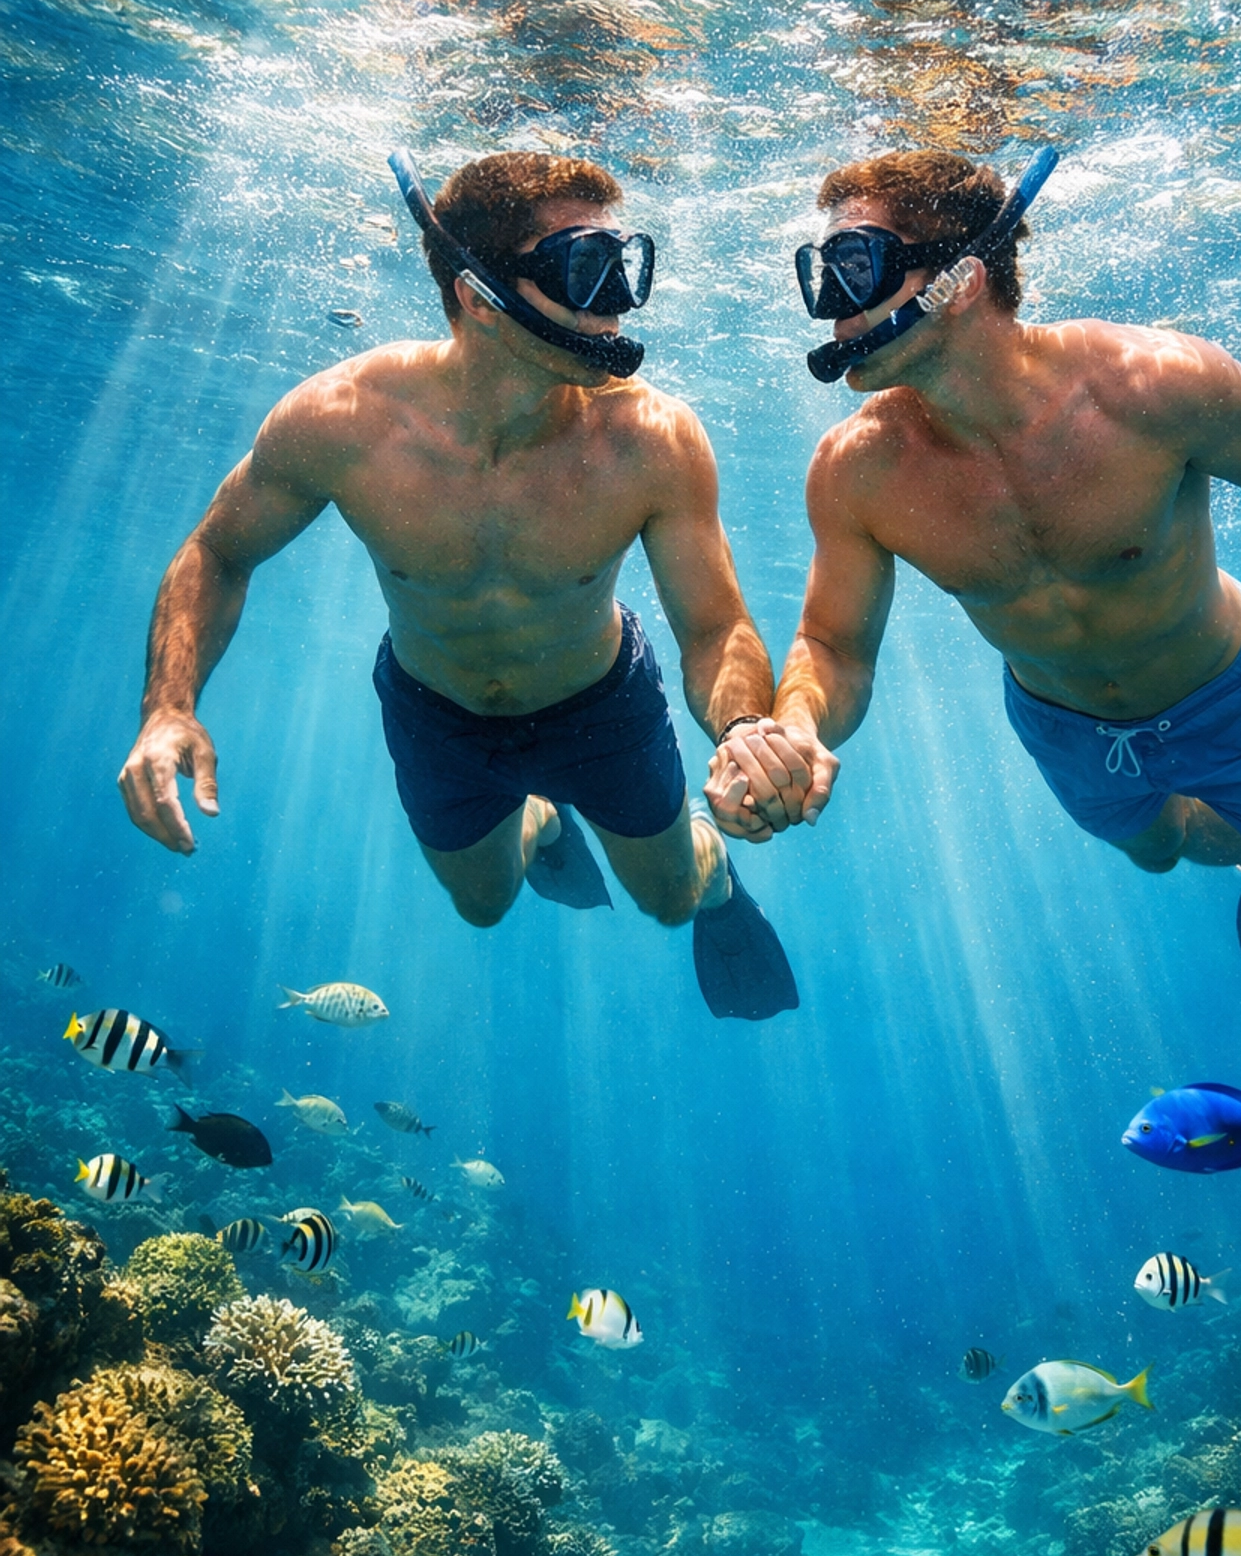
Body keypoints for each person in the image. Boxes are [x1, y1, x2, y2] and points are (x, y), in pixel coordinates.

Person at [706, 147, 1241, 991]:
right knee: (1162, 846)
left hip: (1224, 692)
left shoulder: (1155, 383)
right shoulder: (857, 469)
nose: (830, 309)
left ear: (961, 278)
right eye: (820, 274)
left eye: (856, 267)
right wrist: (798, 725)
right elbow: (834, 644)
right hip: (1064, 725)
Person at [118, 149, 797, 1021]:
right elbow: (217, 551)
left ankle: (709, 868)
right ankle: (538, 815)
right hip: (435, 715)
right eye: (585, 268)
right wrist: (168, 707)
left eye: (624, 265)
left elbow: (714, 626)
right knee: (483, 905)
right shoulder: (344, 420)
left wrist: (741, 726)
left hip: (600, 707)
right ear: (478, 296)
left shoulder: (651, 439)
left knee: (671, 901)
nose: (619, 302)